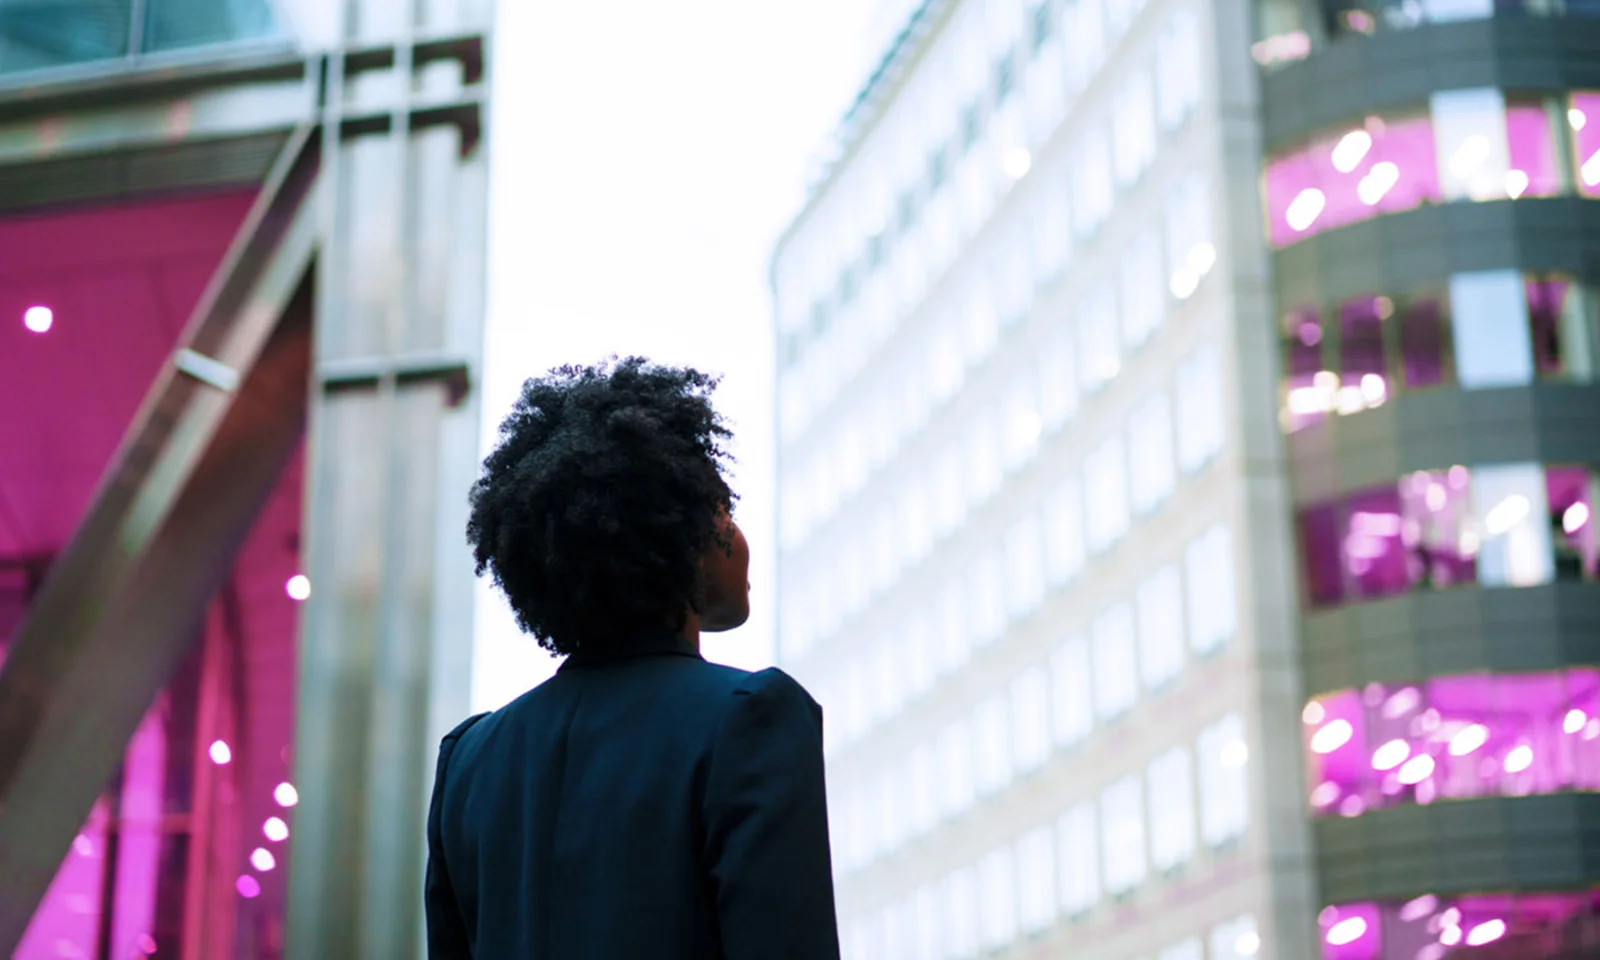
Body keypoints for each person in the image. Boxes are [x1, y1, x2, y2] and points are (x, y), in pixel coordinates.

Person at [425, 358, 840, 960]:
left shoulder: (469, 761)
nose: (738, 532)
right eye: (723, 507)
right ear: (685, 532)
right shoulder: (749, 720)